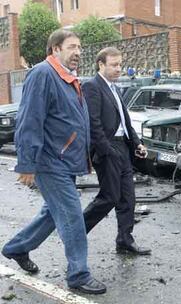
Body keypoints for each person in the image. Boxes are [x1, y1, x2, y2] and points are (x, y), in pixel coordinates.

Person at [1, 29, 106, 294]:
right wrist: (26, 163)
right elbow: (29, 121)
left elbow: (70, 121)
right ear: (55, 49)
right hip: (50, 162)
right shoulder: (42, 74)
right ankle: (78, 274)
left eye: (80, 47)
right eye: (72, 47)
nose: (78, 52)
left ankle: (17, 248)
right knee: (71, 216)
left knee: (51, 213)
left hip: (65, 160)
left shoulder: (68, 78)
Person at [82, 47, 151, 256]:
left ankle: (124, 240)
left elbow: (125, 121)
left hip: (123, 147)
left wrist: (136, 143)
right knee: (109, 197)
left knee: (127, 198)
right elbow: (93, 124)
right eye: (113, 65)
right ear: (100, 65)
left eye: (120, 64)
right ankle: (75, 233)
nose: (118, 68)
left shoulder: (115, 88)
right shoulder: (92, 86)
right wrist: (106, 150)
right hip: (108, 148)